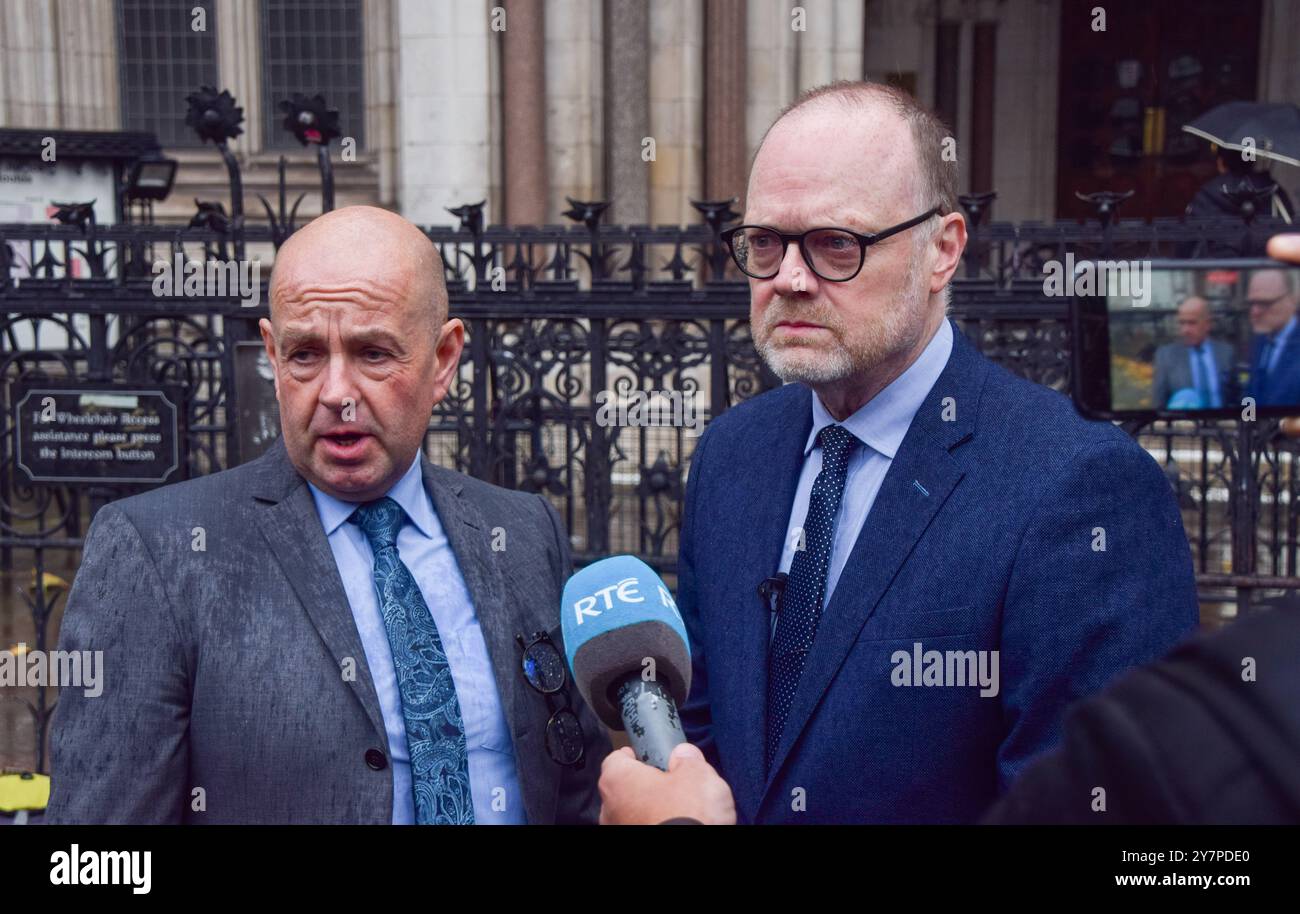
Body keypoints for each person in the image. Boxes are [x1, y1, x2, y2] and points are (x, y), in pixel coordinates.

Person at [597, 81, 1197, 825]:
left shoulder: (1079, 488)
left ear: (943, 249)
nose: (788, 279)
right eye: (763, 243)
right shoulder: (733, 453)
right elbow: (712, 735)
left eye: (835, 244)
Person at [46, 206, 608, 824]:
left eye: (372, 353)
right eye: (307, 354)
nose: (337, 392)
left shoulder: (526, 533)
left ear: (444, 359)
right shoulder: (158, 552)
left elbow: (574, 790)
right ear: (272, 353)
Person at [1151, 296, 1234, 409]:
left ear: (1207, 324)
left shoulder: (1226, 353)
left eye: (1192, 323)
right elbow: (1159, 404)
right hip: (1183, 425)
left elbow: (1237, 397)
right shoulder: (1166, 356)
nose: (1185, 330)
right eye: (1182, 323)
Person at [1246, 268, 1300, 407]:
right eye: (1252, 303)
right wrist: (1247, 421)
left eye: (1265, 303)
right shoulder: (1260, 341)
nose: (1255, 311)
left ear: (1292, 301)